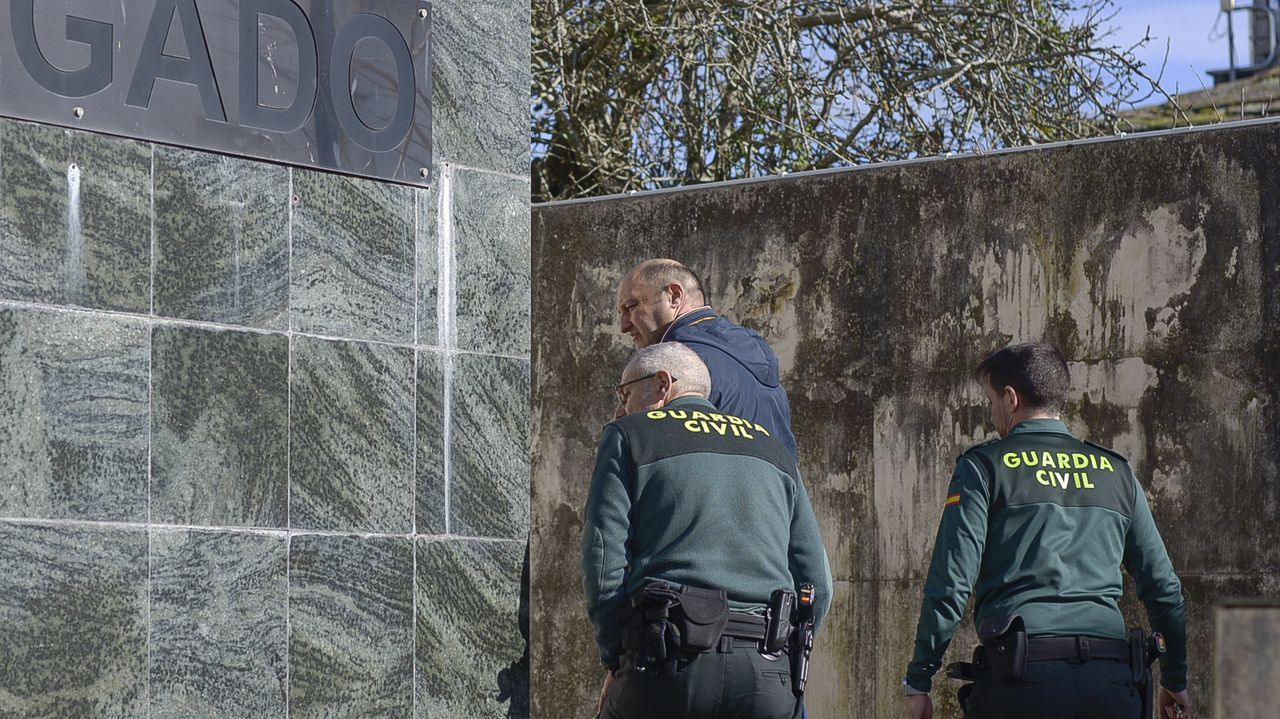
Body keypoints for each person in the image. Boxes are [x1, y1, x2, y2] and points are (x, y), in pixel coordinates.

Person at [902, 341, 1191, 719]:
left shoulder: (983, 467)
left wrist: (919, 679)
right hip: (1112, 685)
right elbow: (1163, 588)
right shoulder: (1117, 473)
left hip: (1020, 685)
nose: (991, 413)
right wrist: (1175, 678)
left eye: (991, 401)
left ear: (1010, 398)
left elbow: (952, 582)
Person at [582, 342, 832, 719]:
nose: (621, 408)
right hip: (767, 670)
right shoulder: (773, 449)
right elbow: (818, 583)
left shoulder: (628, 435)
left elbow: (603, 563)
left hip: (666, 664)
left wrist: (616, 659)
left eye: (626, 393)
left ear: (662, 385)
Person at [615, 259, 798, 461]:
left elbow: (648, 459)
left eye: (631, 307)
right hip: (778, 490)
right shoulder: (754, 350)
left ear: (674, 296)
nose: (623, 326)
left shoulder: (675, 362)